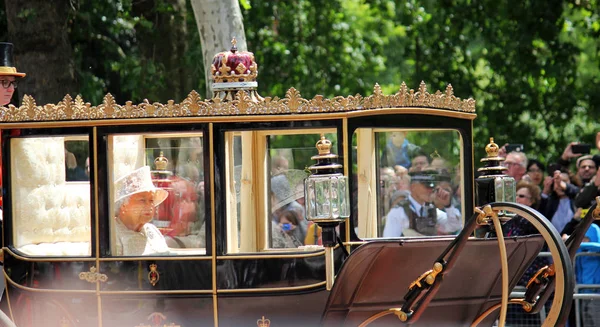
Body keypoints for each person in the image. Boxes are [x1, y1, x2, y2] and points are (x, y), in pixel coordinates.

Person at [382, 170, 462, 237]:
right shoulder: (398, 212)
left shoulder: (431, 210)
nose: (430, 190)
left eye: (432, 187)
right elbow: (389, 242)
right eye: (426, 186)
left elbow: (454, 226)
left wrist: (448, 206)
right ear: (413, 187)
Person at [113, 166, 170, 256]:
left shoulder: (153, 231)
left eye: (151, 200)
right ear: (124, 205)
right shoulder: (112, 234)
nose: (149, 206)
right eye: (142, 200)